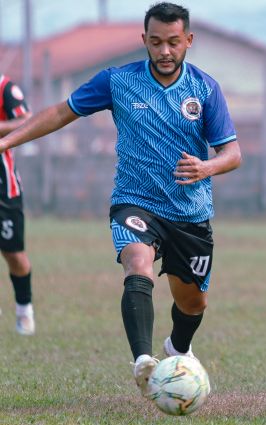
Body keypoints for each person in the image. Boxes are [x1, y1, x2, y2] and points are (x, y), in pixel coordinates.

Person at [0, 2, 241, 398]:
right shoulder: (118, 81)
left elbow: (233, 154)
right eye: (156, 42)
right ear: (143, 40)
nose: (165, 51)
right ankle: (144, 362)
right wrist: (7, 141)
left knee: (193, 302)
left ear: (189, 41)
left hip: (190, 212)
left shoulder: (205, 89)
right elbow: (62, 112)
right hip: (135, 201)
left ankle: (176, 349)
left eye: (174, 43)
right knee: (137, 263)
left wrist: (207, 168)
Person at [0, 74, 35, 335]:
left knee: (14, 255)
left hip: (4, 189)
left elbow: (27, 120)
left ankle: (24, 311)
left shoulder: (5, 88)